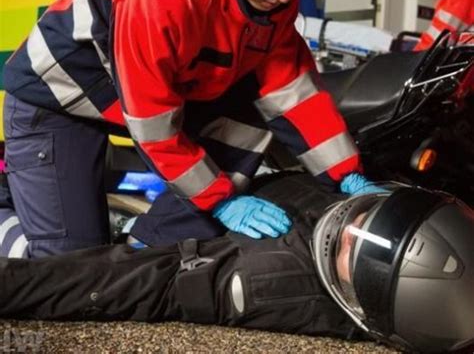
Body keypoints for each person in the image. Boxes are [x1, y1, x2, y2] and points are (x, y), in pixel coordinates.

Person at [1, 0, 379, 259]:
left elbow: (292, 90)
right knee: (69, 269)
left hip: (127, 100)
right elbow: (154, 126)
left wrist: (347, 174)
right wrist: (220, 202)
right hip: (56, 100)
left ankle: (149, 245)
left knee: (249, 116)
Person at [0, 172, 473, 353]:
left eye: (351, 248)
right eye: (371, 215)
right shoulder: (356, 245)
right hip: (216, 191)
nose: (347, 227)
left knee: (53, 256)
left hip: (170, 235)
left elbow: (119, 281)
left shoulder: (271, 280)